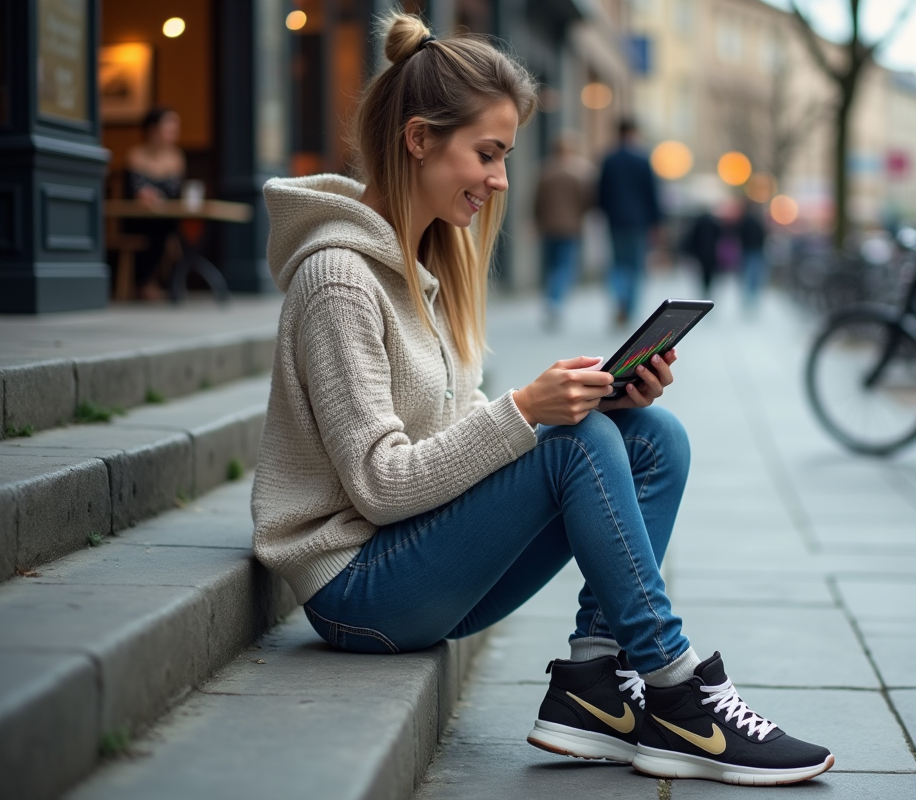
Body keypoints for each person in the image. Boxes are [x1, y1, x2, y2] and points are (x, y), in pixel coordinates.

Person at [251, 11, 833, 787]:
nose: (499, 182)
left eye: (506, 157)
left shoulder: (430, 265)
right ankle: (676, 684)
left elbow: (453, 432)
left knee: (653, 436)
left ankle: (595, 682)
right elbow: (381, 484)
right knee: (571, 442)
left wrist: (599, 400)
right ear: (419, 139)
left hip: (418, 560)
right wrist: (528, 411)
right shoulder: (338, 280)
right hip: (357, 589)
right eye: (486, 154)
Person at [597, 119, 662, 327]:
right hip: (638, 222)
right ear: (633, 132)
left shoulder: (609, 159)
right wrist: (656, 222)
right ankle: (630, 307)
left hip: (615, 220)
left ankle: (620, 301)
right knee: (635, 266)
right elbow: (652, 193)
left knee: (617, 264)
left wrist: (605, 212)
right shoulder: (642, 159)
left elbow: (601, 192)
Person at [534, 130, 594, 330]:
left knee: (551, 265)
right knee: (564, 266)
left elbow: (537, 200)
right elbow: (586, 201)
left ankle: (551, 298)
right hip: (570, 227)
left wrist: (535, 220)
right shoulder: (580, 172)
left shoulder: (545, 170)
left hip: (548, 226)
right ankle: (555, 299)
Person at [124, 107, 186, 300]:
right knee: (158, 229)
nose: (174, 132)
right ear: (152, 129)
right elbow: (132, 191)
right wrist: (142, 195)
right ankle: (145, 283)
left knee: (171, 227)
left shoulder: (177, 157)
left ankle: (173, 281)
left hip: (167, 218)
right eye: (169, 126)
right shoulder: (135, 155)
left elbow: (177, 193)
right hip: (137, 218)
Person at [737, 200, 768, 310]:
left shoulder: (745, 220)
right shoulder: (755, 221)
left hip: (749, 251)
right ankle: (751, 299)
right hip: (754, 251)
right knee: (753, 276)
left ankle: (749, 299)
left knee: (749, 276)